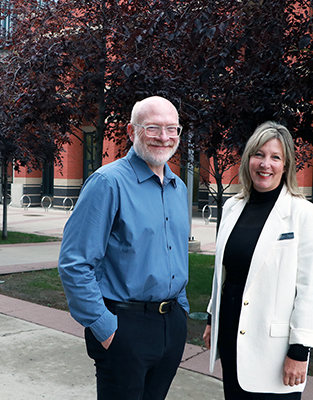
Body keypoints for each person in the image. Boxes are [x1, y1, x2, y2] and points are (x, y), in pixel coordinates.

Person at [58, 96, 190, 400]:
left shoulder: (178, 188)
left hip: (171, 325)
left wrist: (180, 310)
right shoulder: (107, 183)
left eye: (173, 129)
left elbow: (176, 255)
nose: (164, 137)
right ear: (131, 132)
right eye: (153, 128)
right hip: (124, 326)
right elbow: (74, 263)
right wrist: (104, 327)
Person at [202, 121, 313, 399]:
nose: (265, 164)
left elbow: (311, 289)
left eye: (275, 157)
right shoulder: (233, 207)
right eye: (259, 154)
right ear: (248, 160)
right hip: (232, 335)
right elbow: (222, 273)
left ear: (286, 165)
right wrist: (213, 318)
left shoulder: (305, 215)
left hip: (274, 349)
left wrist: (300, 351)